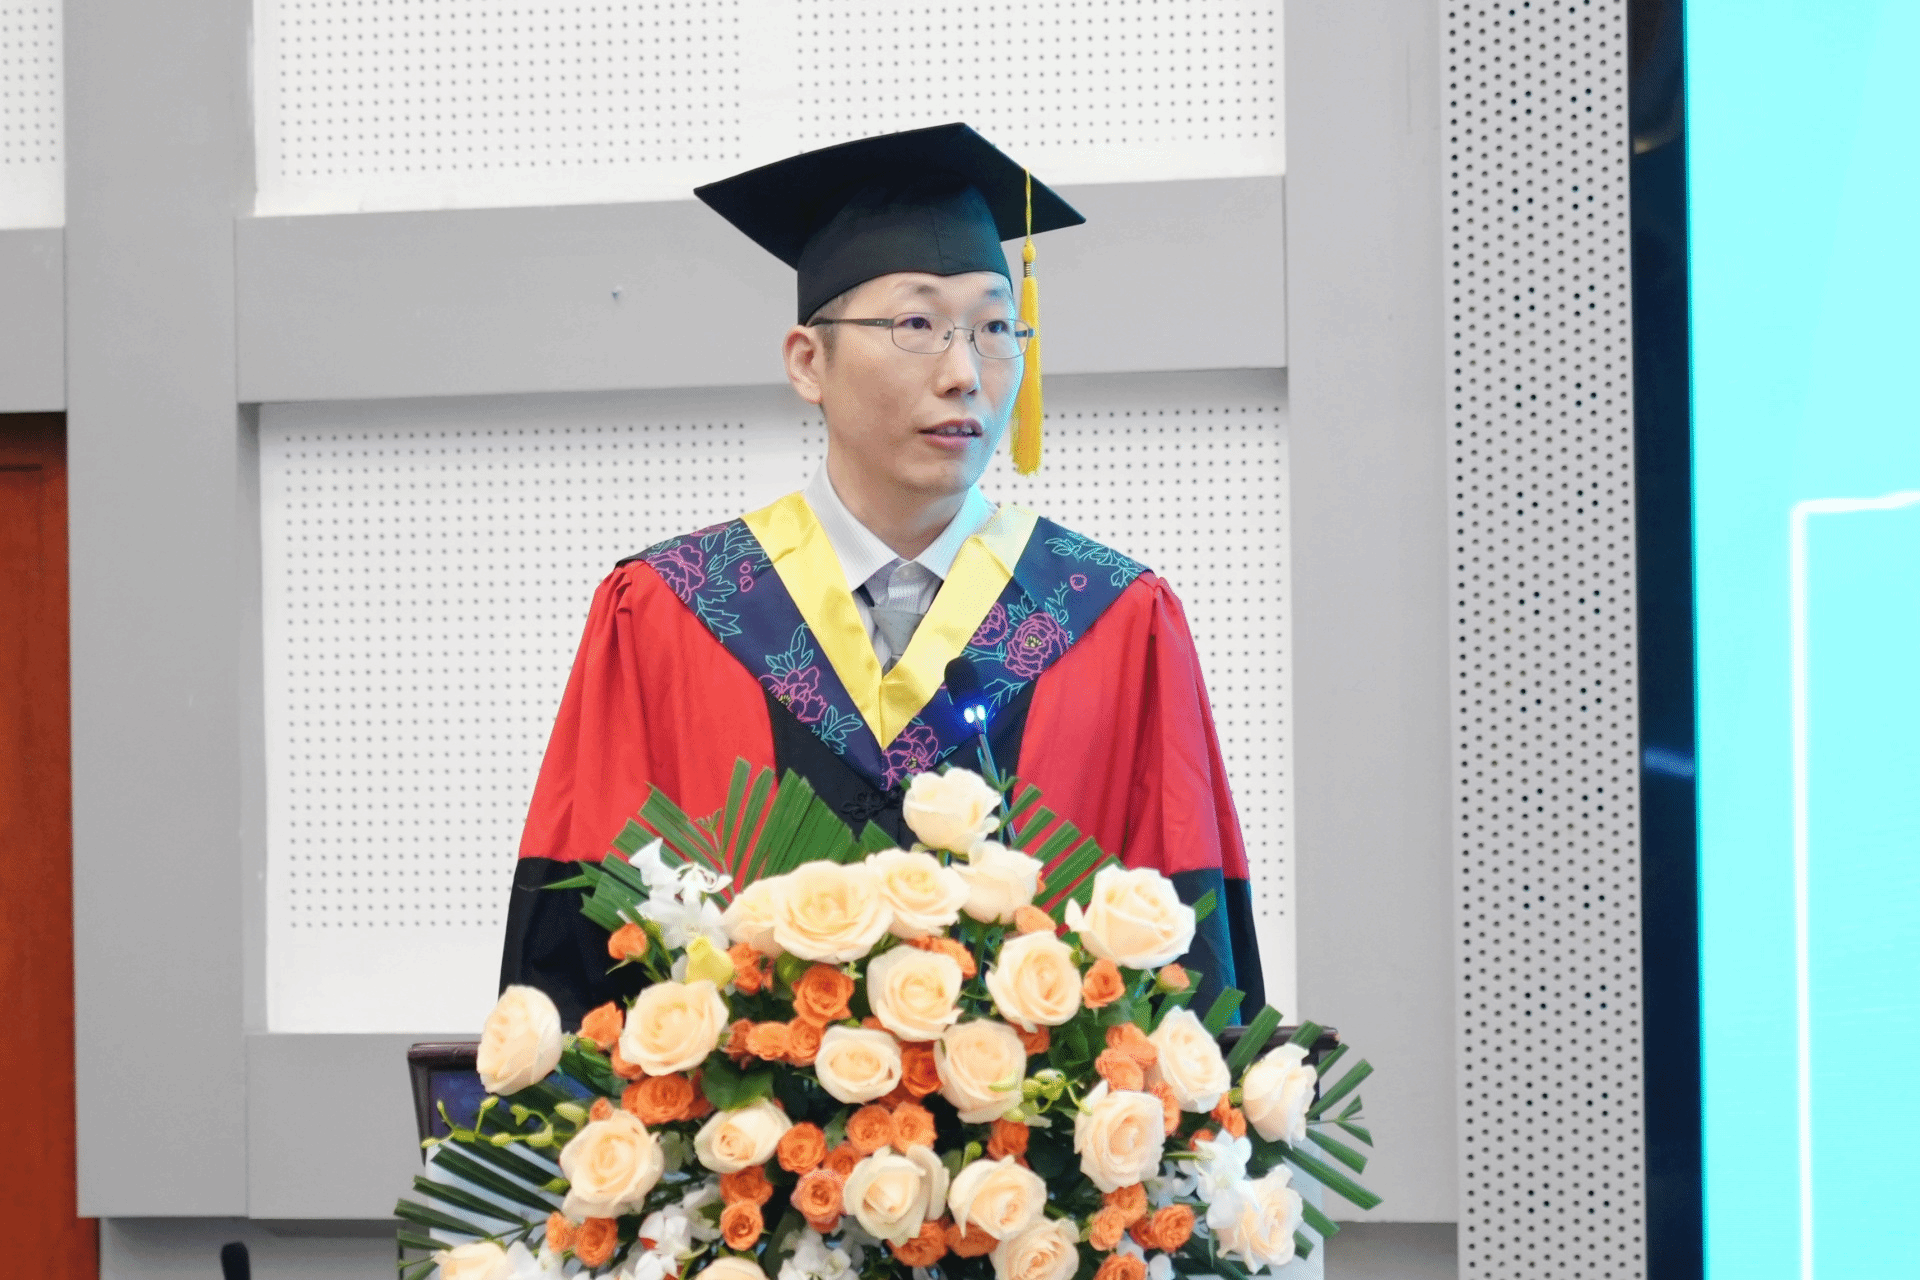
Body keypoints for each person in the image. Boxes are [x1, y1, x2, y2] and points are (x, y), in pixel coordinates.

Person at [501, 123, 1263, 1025]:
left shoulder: (1114, 619)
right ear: (807, 362)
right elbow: (578, 970)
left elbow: (1189, 976)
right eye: (915, 325)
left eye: (994, 328)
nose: (963, 373)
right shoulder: (671, 612)